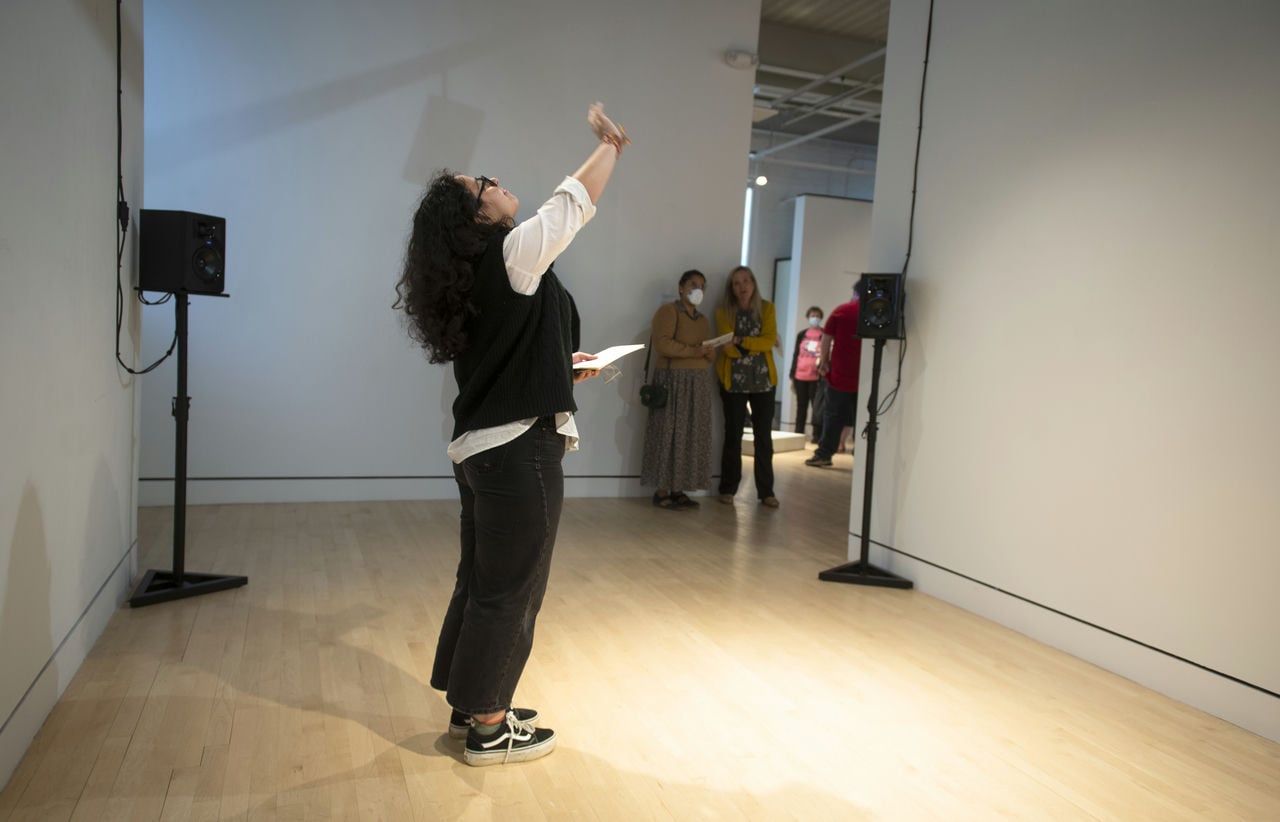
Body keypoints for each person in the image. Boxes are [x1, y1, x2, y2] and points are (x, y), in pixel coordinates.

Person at [394, 103, 628, 766]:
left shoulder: (479, 276)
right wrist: (611, 145)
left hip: (483, 451)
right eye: (483, 187)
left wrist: (564, 367)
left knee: (483, 581)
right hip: (517, 452)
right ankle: (491, 728)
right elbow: (572, 202)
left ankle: (473, 701)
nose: (496, 186)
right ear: (477, 220)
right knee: (512, 587)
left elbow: (506, 353)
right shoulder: (513, 252)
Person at [641, 270, 716, 509]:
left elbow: (707, 351)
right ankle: (662, 489)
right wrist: (696, 352)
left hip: (697, 382)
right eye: (693, 284)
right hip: (673, 380)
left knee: (690, 435)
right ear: (681, 287)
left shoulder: (703, 320)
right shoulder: (669, 312)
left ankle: (679, 488)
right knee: (668, 432)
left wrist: (709, 352)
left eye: (702, 286)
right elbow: (664, 345)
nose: (698, 289)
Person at [715, 265, 780, 508]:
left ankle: (766, 491)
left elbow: (768, 342)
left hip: (763, 382)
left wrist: (741, 340)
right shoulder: (723, 312)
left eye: (746, 281)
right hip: (733, 382)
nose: (742, 287)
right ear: (731, 288)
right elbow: (726, 348)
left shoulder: (767, 308)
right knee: (733, 436)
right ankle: (728, 488)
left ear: (753, 284)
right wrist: (743, 346)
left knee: (764, 437)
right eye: (736, 283)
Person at [806, 282, 862, 468]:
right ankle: (861, 453)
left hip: (840, 374)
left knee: (833, 415)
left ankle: (824, 454)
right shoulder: (873, 315)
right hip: (865, 376)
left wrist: (824, 361)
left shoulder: (842, 310)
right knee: (863, 417)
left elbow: (827, 337)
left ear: (855, 292)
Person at [789, 306, 824, 442]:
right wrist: (792, 374)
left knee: (817, 406)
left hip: (816, 376)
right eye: (812, 315)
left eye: (817, 315)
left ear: (820, 317)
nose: (814, 317)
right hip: (800, 375)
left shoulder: (824, 334)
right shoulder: (802, 334)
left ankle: (816, 435)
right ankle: (798, 433)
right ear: (808, 317)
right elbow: (796, 354)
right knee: (801, 406)